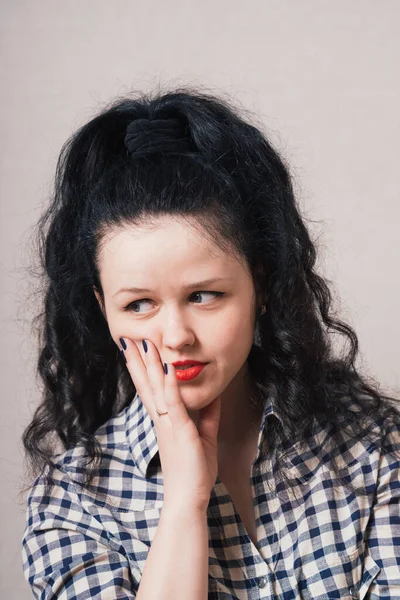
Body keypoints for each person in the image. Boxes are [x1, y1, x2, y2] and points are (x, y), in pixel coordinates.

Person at [20, 86, 400, 600]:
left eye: (204, 295)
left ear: (260, 287)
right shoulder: (72, 502)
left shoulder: (372, 447)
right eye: (138, 305)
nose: (176, 336)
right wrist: (184, 502)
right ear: (103, 310)